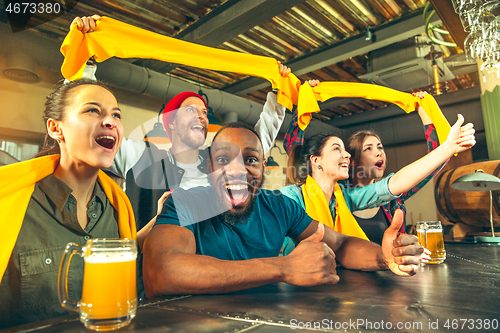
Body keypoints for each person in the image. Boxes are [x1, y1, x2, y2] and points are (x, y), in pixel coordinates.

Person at [142, 122, 429, 298]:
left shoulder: (279, 206)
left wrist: (383, 256)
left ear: (263, 168)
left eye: (250, 160)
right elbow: (160, 272)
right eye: (223, 159)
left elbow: (339, 244)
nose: (238, 170)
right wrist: (284, 268)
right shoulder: (185, 202)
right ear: (209, 168)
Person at [73, 15, 291, 232]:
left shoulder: (215, 161)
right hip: (151, 263)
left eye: (204, 112)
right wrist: (87, 61)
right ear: (172, 123)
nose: (202, 117)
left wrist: (277, 93)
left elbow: (257, 142)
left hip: (209, 263)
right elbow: (90, 134)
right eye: (190, 110)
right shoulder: (141, 157)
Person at [0, 79, 136, 328]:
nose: (110, 121)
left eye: (116, 115)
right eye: (92, 110)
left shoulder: (119, 209)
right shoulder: (9, 207)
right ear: (55, 128)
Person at [280, 113, 475, 253]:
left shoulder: (346, 198)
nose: (346, 154)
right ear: (316, 160)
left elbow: (395, 182)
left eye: (345, 150)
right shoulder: (291, 196)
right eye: (337, 149)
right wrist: (302, 108)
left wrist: (449, 148)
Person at [345, 92, 445, 244]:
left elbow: (435, 161)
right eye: (368, 149)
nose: (379, 152)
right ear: (351, 160)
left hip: (390, 267)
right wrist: (305, 101)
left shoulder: (394, 194)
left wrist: (422, 109)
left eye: (380, 147)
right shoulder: (338, 195)